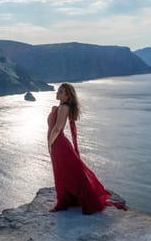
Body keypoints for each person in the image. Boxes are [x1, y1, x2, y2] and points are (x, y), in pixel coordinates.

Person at [47, 83, 127, 215]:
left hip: (58, 143)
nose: (57, 93)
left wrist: (50, 143)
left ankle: (63, 202)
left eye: (61, 92)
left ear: (67, 96)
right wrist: (54, 110)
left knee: (62, 172)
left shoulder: (64, 107)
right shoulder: (61, 107)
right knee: (62, 172)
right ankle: (66, 199)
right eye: (58, 91)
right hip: (58, 143)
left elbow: (57, 128)